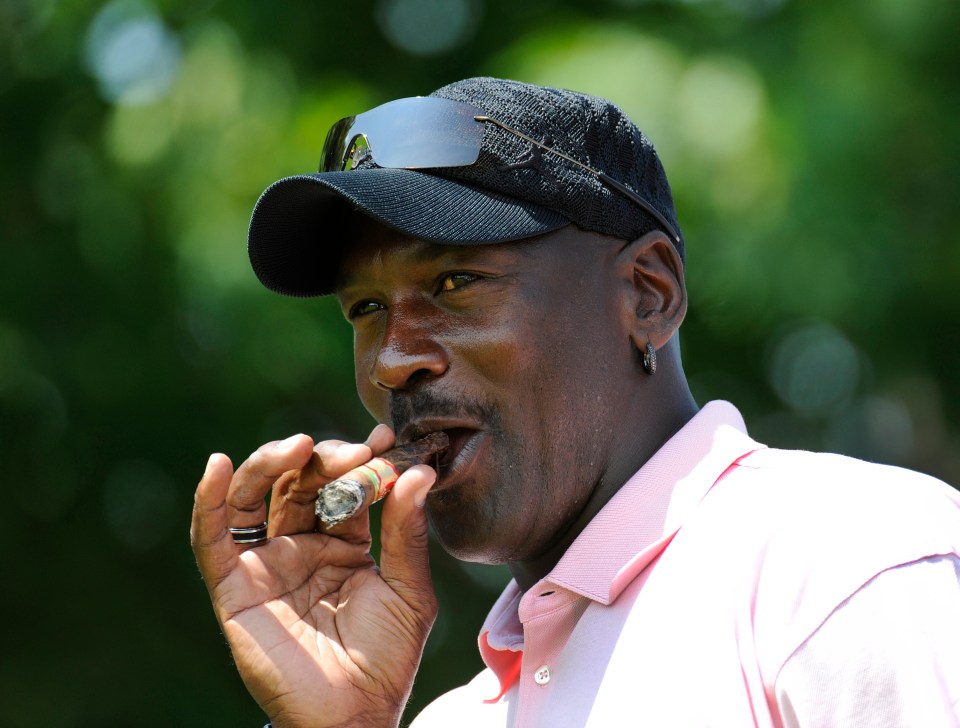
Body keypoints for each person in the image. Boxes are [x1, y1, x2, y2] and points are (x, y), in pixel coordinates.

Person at [190, 77, 960, 727]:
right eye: (364, 310)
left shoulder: (845, 565)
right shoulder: (458, 716)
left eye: (455, 283)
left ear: (648, 295)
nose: (394, 360)